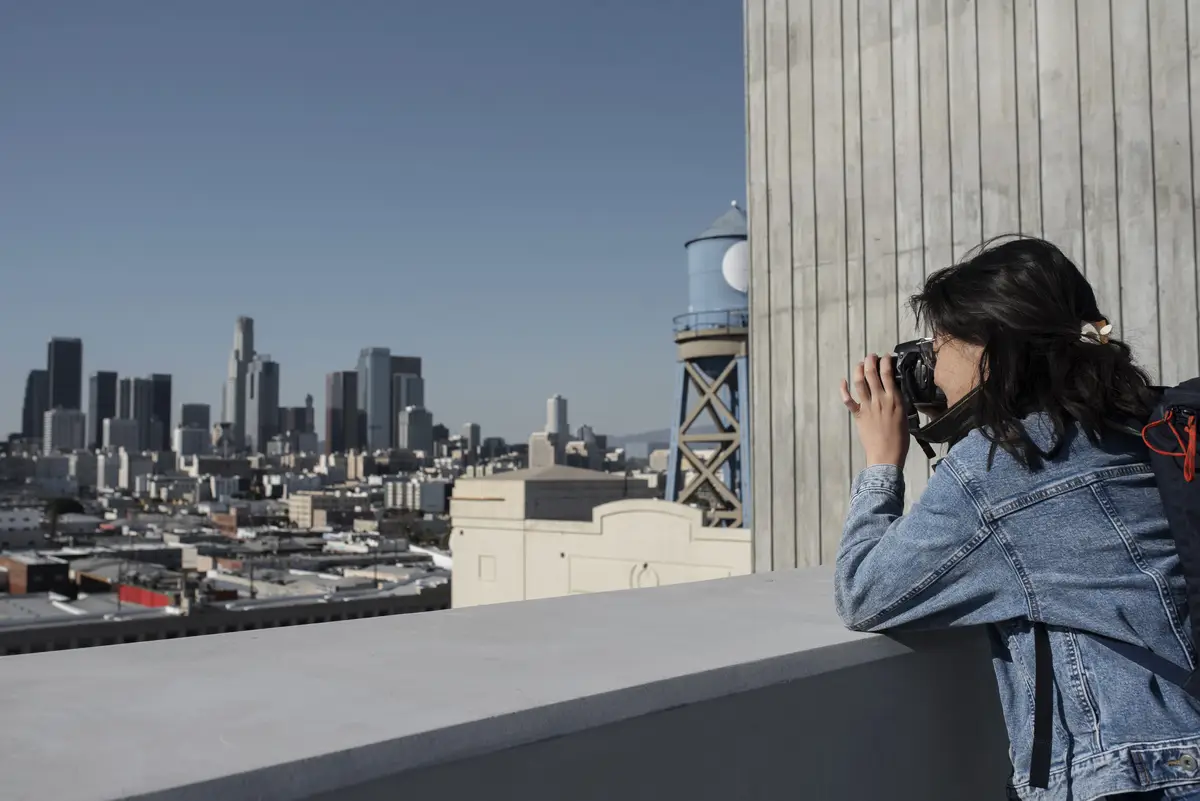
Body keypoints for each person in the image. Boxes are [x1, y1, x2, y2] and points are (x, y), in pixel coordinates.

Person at [835, 237, 1200, 801]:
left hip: (1129, 779)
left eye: (943, 340)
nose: (931, 359)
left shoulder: (998, 468)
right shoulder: (1135, 424)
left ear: (992, 348)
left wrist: (884, 460)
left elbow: (865, 593)